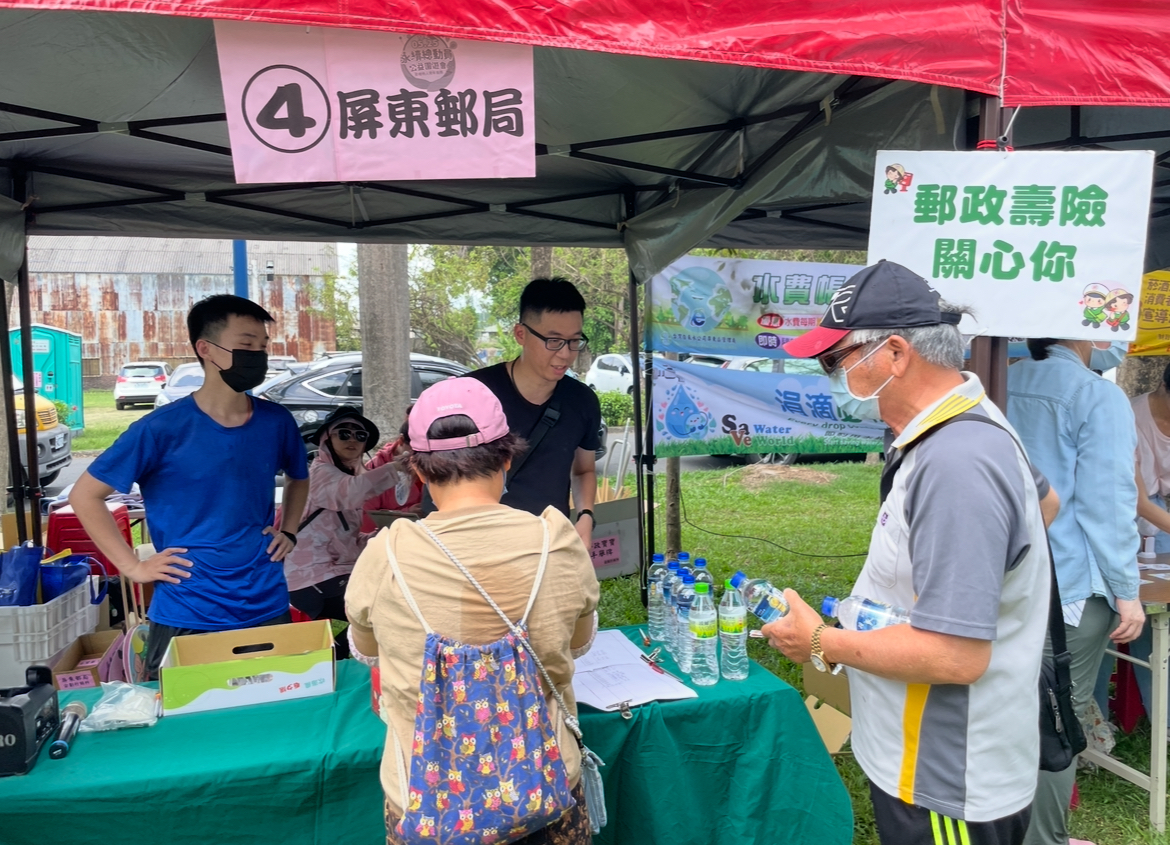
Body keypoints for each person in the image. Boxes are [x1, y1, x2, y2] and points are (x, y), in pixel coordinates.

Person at [763, 260, 1052, 845]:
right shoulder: (962, 424)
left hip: (945, 775)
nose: (832, 378)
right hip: (923, 756)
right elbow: (1045, 505)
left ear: (895, 353)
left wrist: (819, 642)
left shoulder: (957, 461)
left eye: (836, 361)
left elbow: (955, 656)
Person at [345, 376, 600, 844]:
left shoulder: (386, 554)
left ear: (419, 471)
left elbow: (367, 652)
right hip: (546, 790)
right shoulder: (556, 541)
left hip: (422, 799)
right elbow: (579, 644)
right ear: (506, 457)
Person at [69, 294, 310, 679]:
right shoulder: (160, 428)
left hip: (266, 601)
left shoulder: (276, 422)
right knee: (185, 727)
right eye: (246, 345)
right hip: (189, 608)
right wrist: (132, 566)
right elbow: (85, 496)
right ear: (205, 349)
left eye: (263, 347)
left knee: (271, 716)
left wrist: (290, 531)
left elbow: (300, 477)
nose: (258, 355)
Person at [1006, 336, 1144, 845]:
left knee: (1008, 713)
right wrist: (1127, 591)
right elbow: (1106, 500)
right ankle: (1044, 839)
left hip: (1004, 578)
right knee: (1055, 719)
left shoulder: (999, 379)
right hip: (1068, 589)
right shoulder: (1095, 394)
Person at [447, 277, 602, 548]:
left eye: (574, 341)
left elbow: (583, 470)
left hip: (548, 547)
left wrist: (586, 517)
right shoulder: (470, 394)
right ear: (521, 334)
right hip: (475, 547)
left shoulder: (582, 400)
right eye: (553, 341)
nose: (565, 354)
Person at [282, 406, 408, 658]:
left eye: (360, 436)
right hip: (311, 577)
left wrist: (385, 534)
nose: (352, 439)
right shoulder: (320, 473)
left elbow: (346, 542)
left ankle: (340, 667)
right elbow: (352, 492)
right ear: (326, 439)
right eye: (344, 433)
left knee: (368, 620)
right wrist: (398, 467)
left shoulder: (343, 476)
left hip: (333, 572)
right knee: (376, 613)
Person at [361, 410, 425, 531]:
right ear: (401, 441)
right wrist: (406, 514)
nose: (420, 457)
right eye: (415, 451)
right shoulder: (376, 468)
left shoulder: (429, 463)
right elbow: (365, 518)